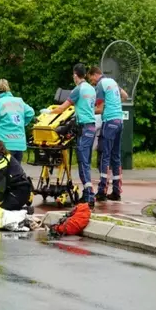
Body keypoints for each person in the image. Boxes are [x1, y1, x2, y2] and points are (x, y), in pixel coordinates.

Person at [43, 63, 97, 206]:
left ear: (75, 75)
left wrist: (49, 112)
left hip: (84, 128)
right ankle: (87, 194)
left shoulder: (78, 90)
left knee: (82, 162)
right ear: (85, 74)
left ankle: (90, 197)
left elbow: (62, 108)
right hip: (92, 128)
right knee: (87, 162)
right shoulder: (91, 89)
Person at [88, 66, 128, 202]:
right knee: (116, 156)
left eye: (91, 79)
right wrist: (115, 104)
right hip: (119, 121)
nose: (92, 82)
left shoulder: (100, 85)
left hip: (109, 122)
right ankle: (116, 191)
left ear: (94, 75)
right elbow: (125, 96)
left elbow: (99, 109)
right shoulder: (112, 82)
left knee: (105, 156)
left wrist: (86, 111)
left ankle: (102, 191)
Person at [0, 79, 35, 163]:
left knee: (4, 171)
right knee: (16, 171)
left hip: (5, 143)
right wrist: (22, 123)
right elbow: (31, 112)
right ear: (8, 88)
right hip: (19, 142)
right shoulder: (19, 101)